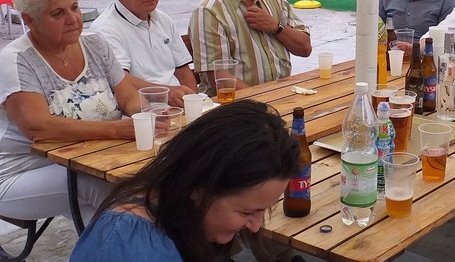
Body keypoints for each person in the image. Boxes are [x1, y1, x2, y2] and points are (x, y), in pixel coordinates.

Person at [70, 100, 300, 262]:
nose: (256, 226)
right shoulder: (130, 246)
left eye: (264, 210)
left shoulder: (176, 216)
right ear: (197, 186)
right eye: (247, 212)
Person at [0, 0, 142, 224]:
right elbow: (38, 128)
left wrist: (147, 116)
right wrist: (116, 130)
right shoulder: (16, 59)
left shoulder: (95, 44)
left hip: (93, 159)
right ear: (30, 20)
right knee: (103, 187)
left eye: (74, 7)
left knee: (156, 175)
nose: (73, 19)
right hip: (22, 170)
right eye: (58, 13)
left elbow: (128, 96)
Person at [89, 0, 197, 107]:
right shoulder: (105, 29)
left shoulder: (163, 20)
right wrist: (166, 93)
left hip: (178, 108)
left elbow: (184, 71)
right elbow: (121, 80)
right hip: (142, 113)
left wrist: (192, 104)